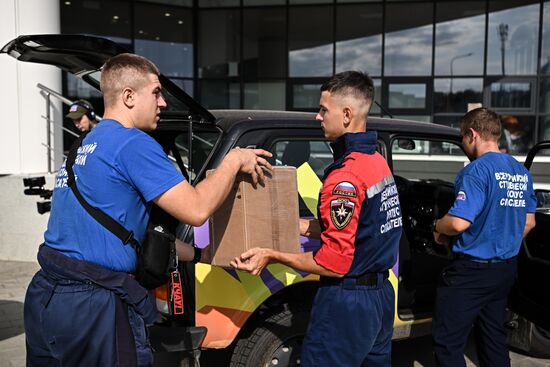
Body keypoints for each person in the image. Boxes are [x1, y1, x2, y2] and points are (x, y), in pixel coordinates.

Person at [24, 53, 272, 367]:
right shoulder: (132, 144)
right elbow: (196, 210)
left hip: (47, 297)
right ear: (128, 96)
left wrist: (200, 255)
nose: (163, 103)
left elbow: (127, 232)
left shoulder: (84, 145)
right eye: (156, 93)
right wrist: (234, 160)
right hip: (93, 306)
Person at [231, 71, 402, 367]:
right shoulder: (375, 162)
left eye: (324, 109)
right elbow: (349, 227)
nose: (317, 117)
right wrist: (282, 225)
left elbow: (333, 263)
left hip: (347, 301)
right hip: (380, 297)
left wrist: (272, 255)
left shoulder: (345, 177)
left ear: (346, 114)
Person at [431, 107, 537, 367]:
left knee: (448, 341)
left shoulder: (476, 171)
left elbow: (457, 223)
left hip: (470, 273)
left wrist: (437, 227)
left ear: (472, 134)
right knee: (493, 337)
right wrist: (502, 237)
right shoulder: (521, 172)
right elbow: (529, 222)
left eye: (462, 138)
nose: (464, 144)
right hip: (505, 271)